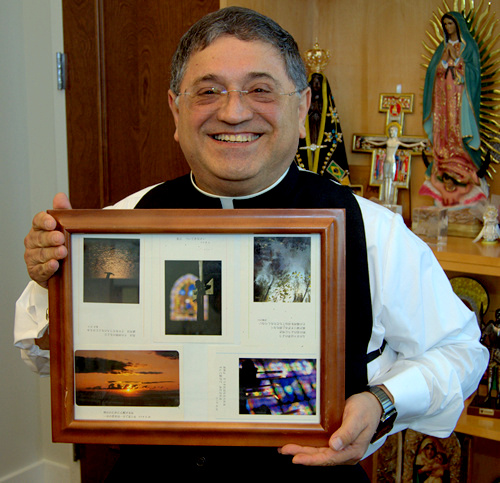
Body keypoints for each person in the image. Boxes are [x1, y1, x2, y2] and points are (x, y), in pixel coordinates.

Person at [15, 6, 488, 480]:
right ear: (176, 111)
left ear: (302, 108)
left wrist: (381, 401)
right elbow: (44, 354)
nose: (234, 111)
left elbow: (460, 351)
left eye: (260, 89)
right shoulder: (120, 223)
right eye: (208, 91)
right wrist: (52, 278)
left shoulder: (370, 229)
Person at [421, 11, 487, 206]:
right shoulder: (442, 48)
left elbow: (474, 74)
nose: (448, 27)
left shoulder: (469, 47)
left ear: (458, 26)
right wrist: (443, 61)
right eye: (446, 24)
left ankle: (462, 165)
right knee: (444, 129)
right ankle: (443, 164)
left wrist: (459, 63)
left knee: (458, 129)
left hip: (460, 99)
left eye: (451, 24)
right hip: (443, 98)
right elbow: (432, 73)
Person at [366, 123, 426, 205]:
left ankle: (388, 200)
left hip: (392, 162)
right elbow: (378, 144)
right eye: (390, 130)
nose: (391, 132)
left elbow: (408, 145)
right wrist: (368, 141)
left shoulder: (397, 142)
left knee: (390, 180)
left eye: (393, 130)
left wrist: (419, 144)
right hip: (386, 162)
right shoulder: (387, 141)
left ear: (396, 132)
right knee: (385, 179)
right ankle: (385, 199)